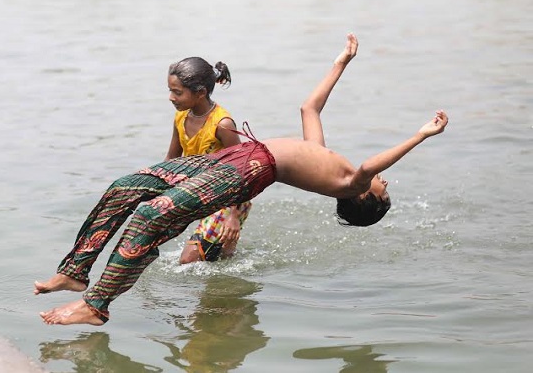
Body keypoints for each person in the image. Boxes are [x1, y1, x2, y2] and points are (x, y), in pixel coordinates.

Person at [34, 33, 449, 326]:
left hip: (249, 170)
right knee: (127, 186)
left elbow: (371, 167)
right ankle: (76, 270)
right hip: (237, 156)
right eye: (385, 186)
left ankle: (96, 305)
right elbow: (310, 108)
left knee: (150, 215)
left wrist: (420, 135)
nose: (386, 184)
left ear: (366, 200)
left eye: (384, 191)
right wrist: (341, 62)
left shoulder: (349, 184)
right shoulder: (325, 158)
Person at [165, 57, 252, 264]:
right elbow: (171, 160)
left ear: (200, 93)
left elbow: (242, 171)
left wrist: (233, 217)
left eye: (177, 92)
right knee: (220, 261)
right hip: (203, 193)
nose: (170, 97)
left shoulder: (222, 124)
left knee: (188, 261)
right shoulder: (181, 118)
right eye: (170, 90)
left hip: (230, 198)